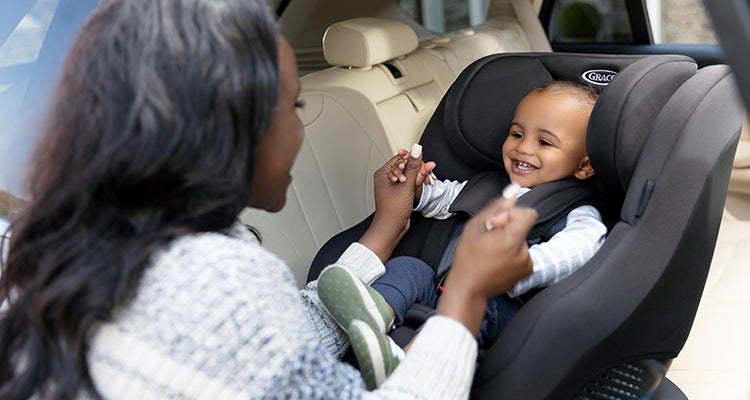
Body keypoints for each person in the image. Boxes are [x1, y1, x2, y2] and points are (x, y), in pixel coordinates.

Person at [0, 0, 538, 398]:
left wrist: (385, 228)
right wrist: (467, 291)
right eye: (292, 107)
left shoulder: (41, 240)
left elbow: (274, 346)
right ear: (232, 133)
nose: (300, 130)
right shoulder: (214, 278)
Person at [318, 82, 608, 390]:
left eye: (544, 143)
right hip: (442, 289)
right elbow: (444, 198)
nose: (523, 148)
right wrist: (418, 188)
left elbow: (581, 247)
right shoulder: (489, 186)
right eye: (517, 134)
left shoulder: (575, 209)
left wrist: (524, 265)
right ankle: (373, 316)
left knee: (482, 300)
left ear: (585, 165)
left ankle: (410, 363)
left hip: (506, 309)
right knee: (410, 267)